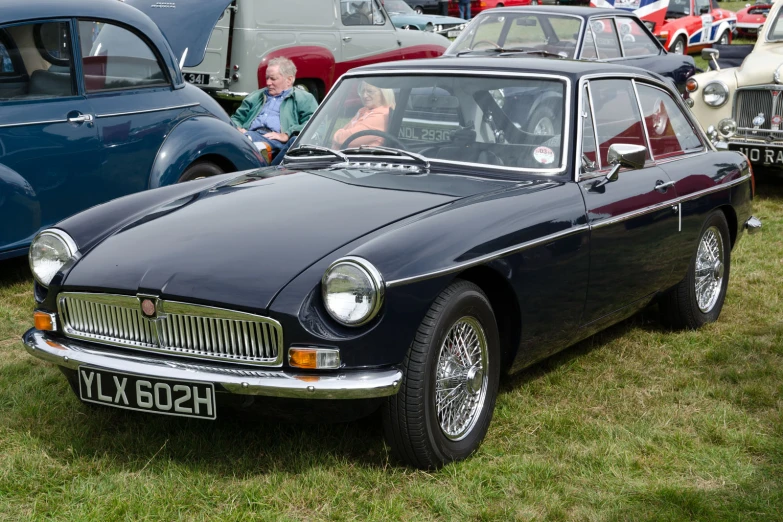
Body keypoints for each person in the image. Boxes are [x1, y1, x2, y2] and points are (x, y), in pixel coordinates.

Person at [230, 57, 318, 165]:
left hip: (275, 140)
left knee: (243, 143)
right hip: (250, 133)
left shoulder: (303, 98)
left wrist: (287, 133)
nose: (268, 82)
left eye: (273, 79)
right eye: (267, 78)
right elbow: (237, 118)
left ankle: (248, 145)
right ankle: (248, 144)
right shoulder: (256, 96)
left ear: (289, 80)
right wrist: (237, 128)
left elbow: (315, 124)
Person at [331, 82, 395, 149]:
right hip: (345, 156)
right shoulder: (363, 110)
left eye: (370, 91)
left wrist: (337, 135)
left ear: (383, 94)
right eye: (362, 91)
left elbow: (343, 139)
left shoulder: (381, 116)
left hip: (361, 158)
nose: (364, 95)